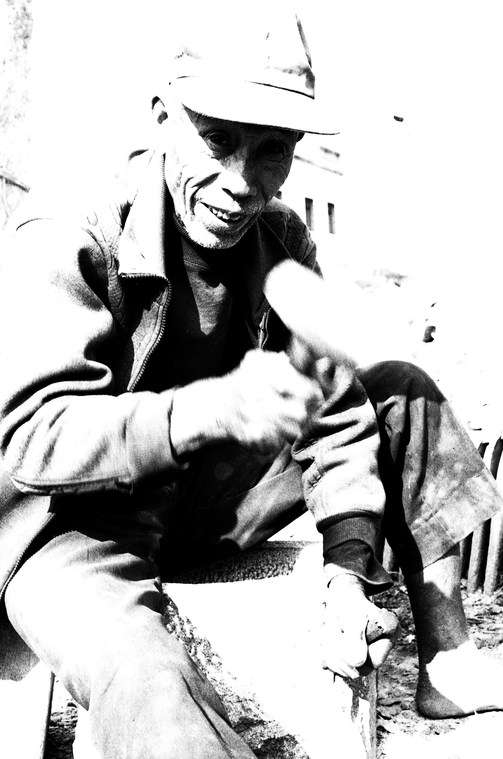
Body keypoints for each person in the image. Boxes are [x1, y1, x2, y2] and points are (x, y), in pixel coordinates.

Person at [1, 5, 502, 758]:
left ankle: (449, 658)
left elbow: (334, 413)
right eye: (217, 140)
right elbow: (31, 441)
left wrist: (345, 568)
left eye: (272, 151)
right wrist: (209, 409)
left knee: (401, 388)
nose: (241, 182)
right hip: (69, 527)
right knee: (150, 687)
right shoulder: (71, 230)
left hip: (199, 503)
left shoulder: (281, 238)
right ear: (162, 117)